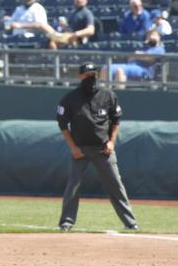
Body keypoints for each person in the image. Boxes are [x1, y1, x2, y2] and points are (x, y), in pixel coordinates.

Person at [57, 63, 138, 232]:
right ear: (80, 77)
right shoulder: (70, 98)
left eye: (93, 74)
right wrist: (73, 147)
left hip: (103, 149)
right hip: (80, 149)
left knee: (116, 184)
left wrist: (111, 142)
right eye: (87, 75)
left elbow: (116, 120)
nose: (91, 78)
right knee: (73, 185)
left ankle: (130, 223)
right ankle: (66, 222)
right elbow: (62, 124)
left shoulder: (108, 95)